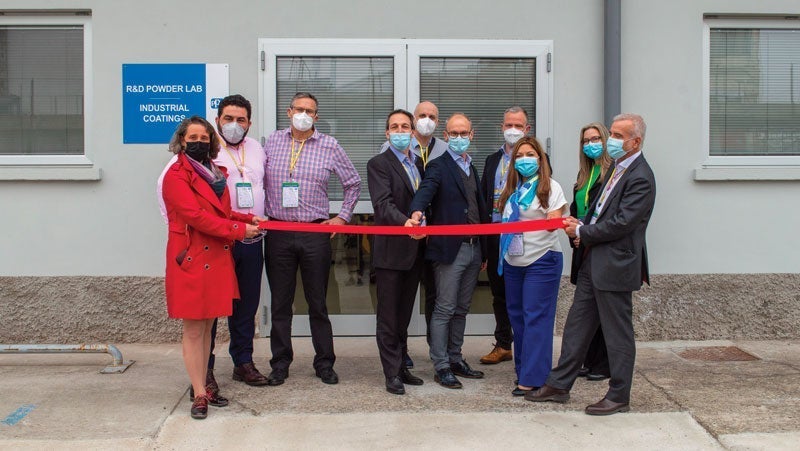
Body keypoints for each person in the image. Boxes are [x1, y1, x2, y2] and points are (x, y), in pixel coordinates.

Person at [526, 113, 656, 416]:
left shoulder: (640, 176)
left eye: (618, 135)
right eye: (611, 132)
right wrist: (581, 221)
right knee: (576, 327)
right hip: (592, 263)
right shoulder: (617, 170)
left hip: (615, 266)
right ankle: (559, 384)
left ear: (635, 141)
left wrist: (581, 232)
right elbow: (602, 213)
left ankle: (619, 395)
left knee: (617, 334)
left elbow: (623, 223)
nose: (612, 140)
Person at [157, 95, 270, 394]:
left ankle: (242, 362)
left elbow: (245, 196)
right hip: (210, 243)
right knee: (206, 313)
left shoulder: (255, 150)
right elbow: (185, 210)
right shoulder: (179, 167)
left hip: (245, 237)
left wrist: (250, 219)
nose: (235, 125)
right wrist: (184, 234)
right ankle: (203, 375)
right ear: (218, 120)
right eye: (229, 119)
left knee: (245, 304)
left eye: (241, 119)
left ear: (249, 122)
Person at [262, 92, 361, 386]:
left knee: (318, 301)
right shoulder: (272, 142)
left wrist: (342, 216)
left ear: (317, 117)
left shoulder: (329, 145)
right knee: (281, 303)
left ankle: (324, 362)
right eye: (299, 109)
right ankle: (280, 363)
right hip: (277, 231)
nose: (303, 114)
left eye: (310, 111)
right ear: (288, 111)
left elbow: (353, 183)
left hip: (314, 232)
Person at [409, 112, 487, 389]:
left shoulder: (471, 167)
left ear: (471, 135)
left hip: (474, 247)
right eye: (453, 134)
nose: (458, 138)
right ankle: (441, 365)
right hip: (449, 249)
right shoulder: (438, 165)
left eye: (463, 133)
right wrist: (417, 211)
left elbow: (476, 206)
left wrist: (485, 251)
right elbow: (426, 190)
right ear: (446, 136)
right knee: (444, 308)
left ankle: (456, 358)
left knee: (462, 309)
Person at [380, 101, 448, 368]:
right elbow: (385, 202)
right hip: (401, 241)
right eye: (422, 116)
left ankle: (436, 351)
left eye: (432, 116)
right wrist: (408, 223)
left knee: (428, 298)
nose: (426, 121)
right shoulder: (386, 157)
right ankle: (398, 358)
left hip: (429, 240)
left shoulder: (434, 155)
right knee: (394, 308)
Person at [497, 137, 567, 397]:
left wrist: (549, 221)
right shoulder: (513, 189)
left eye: (530, 154)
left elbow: (554, 222)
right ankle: (524, 370)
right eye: (520, 156)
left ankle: (534, 379)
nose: (525, 159)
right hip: (513, 261)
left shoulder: (551, 187)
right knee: (517, 317)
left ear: (540, 159)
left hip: (542, 260)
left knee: (536, 317)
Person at [367, 109, 426, 395]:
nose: (400, 131)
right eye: (395, 127)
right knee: (388, 317)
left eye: (405, 126)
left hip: (414, 250)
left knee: (403, 315)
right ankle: (391, 373)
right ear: (387, 133)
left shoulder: (419, 165)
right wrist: (406, 222)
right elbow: (383, 203)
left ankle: (402, 365)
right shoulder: (379, 163)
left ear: (413, 132)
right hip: (391, 251)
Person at [479, 106, 532, 365]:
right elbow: (482, 199)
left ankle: (525, 346)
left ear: (527, 129)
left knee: (523, 294)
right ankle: (503, 344)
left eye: (518, 126)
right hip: (494, 236)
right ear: (502, 128)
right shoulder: (491, 160)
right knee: (499, 294)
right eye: (509, 125)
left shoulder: (535, 160)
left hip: (523, 237)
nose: (513, 130)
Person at [571, 122, 613, 382]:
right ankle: (589, 359)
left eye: (596, 139)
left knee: (603, 308)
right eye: (586, 141)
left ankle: (603, 364)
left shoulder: (612, 174)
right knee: (587, 307)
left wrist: (584, 233)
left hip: (600, 245)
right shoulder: (584, 174)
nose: (591, 144)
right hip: (581, 244)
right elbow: (579, 209)